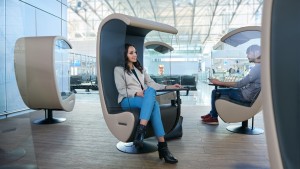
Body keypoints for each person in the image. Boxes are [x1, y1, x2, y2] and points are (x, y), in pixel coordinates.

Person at [114, 43, 181, 164]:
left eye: (135, 52)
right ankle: (163, 149)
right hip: (127, 100)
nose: (135, 54)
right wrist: (137, 93)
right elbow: (121, 90)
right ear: (125, 55)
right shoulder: (118, 70)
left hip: (143, 99)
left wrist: (169, 86)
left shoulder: (140, 69)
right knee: (152, 101)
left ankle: (143, 133)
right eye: (131, 53)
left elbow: (152, 84)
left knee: (151, 96)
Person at [201, 45, 261, 125]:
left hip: (244, 96)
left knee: (215, 92)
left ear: (257, 53)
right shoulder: (261, 67)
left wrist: (219, 82)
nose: (247, 56)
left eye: (248, 53)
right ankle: (212, 114)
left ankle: (213, 117)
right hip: (247, 94)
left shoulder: (257, 69)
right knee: (220, 91)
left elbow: (240, 84)